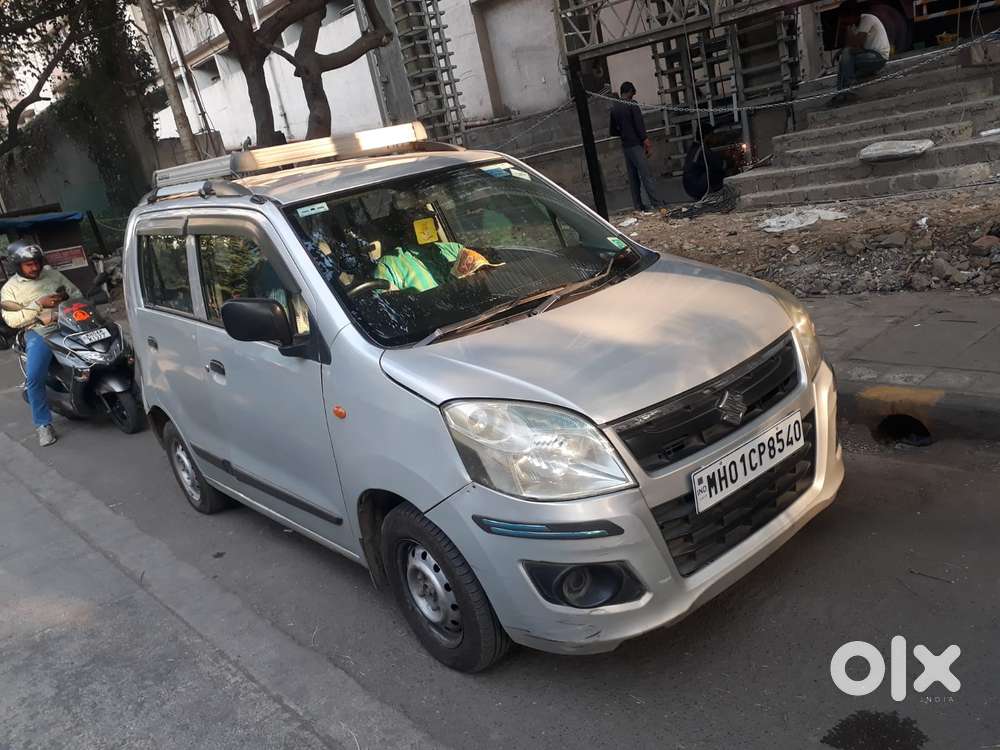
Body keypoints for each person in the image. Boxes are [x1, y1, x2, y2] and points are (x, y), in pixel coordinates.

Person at [1, 240, 80, 446]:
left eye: (36, 262)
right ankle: (43, 425)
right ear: (18, 266)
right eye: (29, 264)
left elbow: (77, 294)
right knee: (35, 376)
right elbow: (12, 320)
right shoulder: (10, 290)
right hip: (39, 332)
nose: (35, 267)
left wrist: (65, 298)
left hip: (71, 323)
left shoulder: (53, 274)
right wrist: (39, 305)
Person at [609, 81, 662, 213]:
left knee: (633, 178)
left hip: (626, 146)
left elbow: (612, 131)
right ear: (630, 92)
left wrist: (623, 133)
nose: (633, 96)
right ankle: (657, 204)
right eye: (632, 93)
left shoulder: (614, 108)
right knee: (646, 175)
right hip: (636, 145)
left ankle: (638, 206)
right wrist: (646, 141)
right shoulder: (632, 105)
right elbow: (639, 125)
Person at [831, 0, 891, 105]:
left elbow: (856, 46)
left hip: (878, 57)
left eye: (845, 17)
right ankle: (841, 93)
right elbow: (850, 46)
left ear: (853, 15)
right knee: (843, 59)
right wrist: (848, 27)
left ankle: (847, 90)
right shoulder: (854, 25)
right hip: (866, 57)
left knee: (846, 54)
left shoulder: (867, 19)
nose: (842, 20)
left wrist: (843, 50)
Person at [682, 122, 726, 201]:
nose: (714, 138)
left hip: (689, 186)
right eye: (712, 135)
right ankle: (717, 196)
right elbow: (719, 165)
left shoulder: (694, 147)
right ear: (707, 136)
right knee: (720, 172)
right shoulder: (702, 149)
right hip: (697, 186)